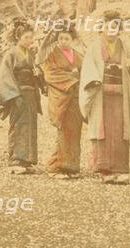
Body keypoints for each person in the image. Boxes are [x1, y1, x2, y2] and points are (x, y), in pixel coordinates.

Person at [80, 11, 130, 184]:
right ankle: (105, 170)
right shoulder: (95, 47)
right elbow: (89, 68)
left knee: (119, 131)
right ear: (102, 28)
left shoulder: (124, 46)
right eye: (108, 27)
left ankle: (120, 168)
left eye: (115, 27)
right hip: (101, 95)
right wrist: (100, 75)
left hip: (120, 95)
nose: (112, 31)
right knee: (104, 130)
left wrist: (127, 67)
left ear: (119, 29)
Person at [0, 21, 42, 174]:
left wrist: (38, 75)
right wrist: (13, 95)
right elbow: (5, 76)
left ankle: (27, 159)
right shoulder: (11, 53)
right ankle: (15, 159)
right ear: (18, 37)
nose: (30, 40)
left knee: (30, 125)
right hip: (18, 93)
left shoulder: (30, 54)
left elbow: (36, 74)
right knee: (18, 125)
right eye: (27, 37)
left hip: (30, 94)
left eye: (31, 37)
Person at [42, 29, 84, 178]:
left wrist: (78, 79)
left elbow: (84, 72)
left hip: (76, 97)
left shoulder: (79, 55)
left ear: (72, 40)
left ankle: (72, 166)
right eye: (61, 38)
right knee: (64, 130)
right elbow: (49, 73)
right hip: (61, 95)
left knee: (75, 130)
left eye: (67, 38)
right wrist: (71, 78)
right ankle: (58, 166)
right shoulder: (52, 55)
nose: (63, 41)